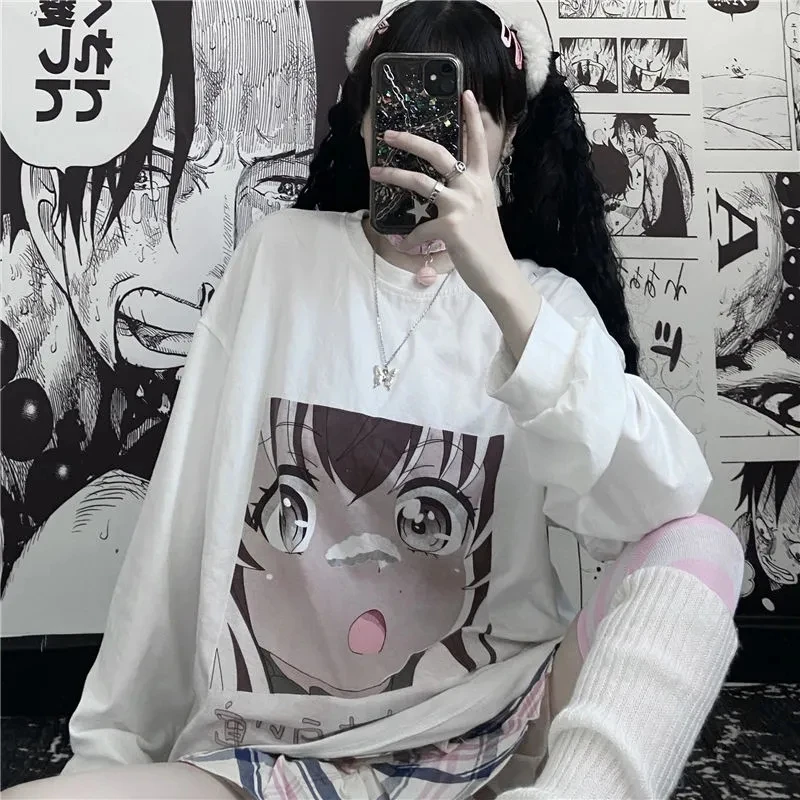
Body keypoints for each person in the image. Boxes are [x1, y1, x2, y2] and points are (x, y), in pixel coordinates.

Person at [6, 2, 744, 799]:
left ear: (510, 137)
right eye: (400, 110)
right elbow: (180, 519)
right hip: (273, 755)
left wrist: (502, 289)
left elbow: (659, 505)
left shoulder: (543, 308)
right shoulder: (280, 260)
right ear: (364, 123)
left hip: (491, 736)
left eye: (467, 120)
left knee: (701, 548)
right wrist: (112, 750)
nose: (429, 144)